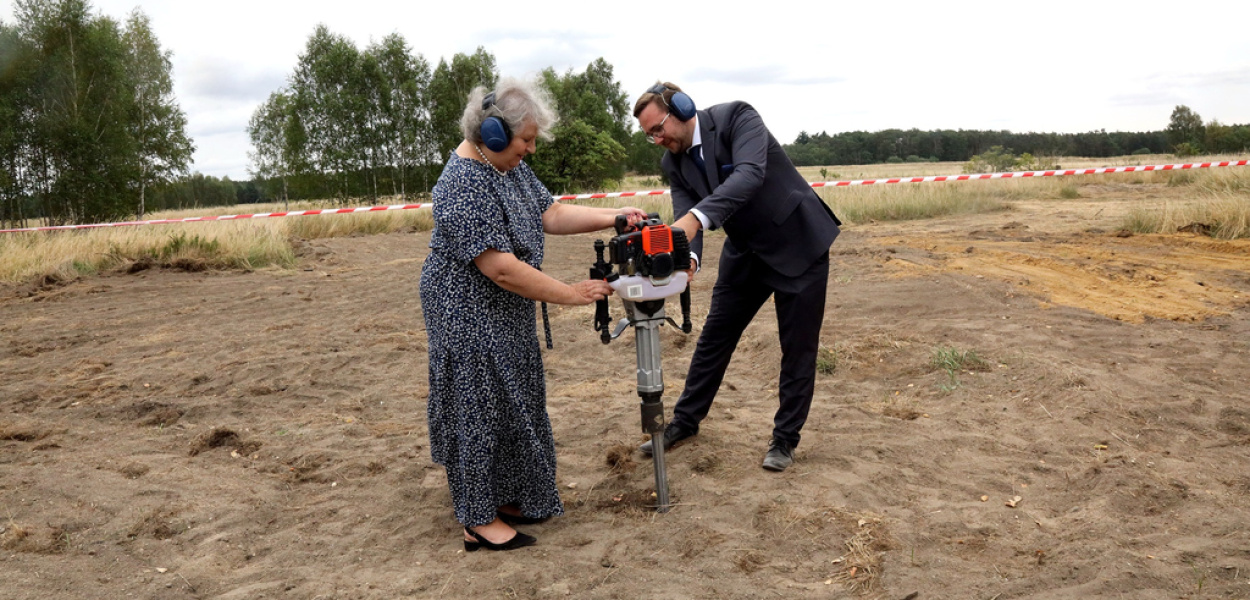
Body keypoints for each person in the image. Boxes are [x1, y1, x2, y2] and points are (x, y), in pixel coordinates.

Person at [420, 77, 646, 551]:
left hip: (506, 308)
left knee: (514, 396)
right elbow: (501, 269)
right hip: (464, 308)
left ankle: (506, 496)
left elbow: (551, 213)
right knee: (478, 403)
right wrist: (571, 293)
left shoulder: (507, 167)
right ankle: (478, 520)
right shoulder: (459, 184)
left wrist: (614, 216)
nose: (531, 150)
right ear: (494, 134)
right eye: (526, 141)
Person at [633, 82, 841, 472]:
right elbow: (685, 213)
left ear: (681, 108)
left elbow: (748, 176)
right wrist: (689, 259)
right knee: (714, 337)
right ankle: (685, 422)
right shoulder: (672, 163)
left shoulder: (737, 119)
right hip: (746, 250)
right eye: (649, 135)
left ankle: (784, 440)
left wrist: (695, 220)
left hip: (798, 243)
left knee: (797, 348)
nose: (656, 139)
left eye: (658, 128)